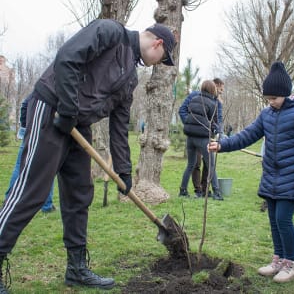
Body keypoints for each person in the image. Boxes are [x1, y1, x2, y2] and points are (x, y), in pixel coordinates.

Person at [0, 19, 175, 293]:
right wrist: (68, 110)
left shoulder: (130, 77)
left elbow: (119, 125)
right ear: (157, 43)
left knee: (80, 194)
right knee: (30, 192)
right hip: (53, 109)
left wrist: (124, 172)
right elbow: (67, 58)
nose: (156, 64)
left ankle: (77, 268)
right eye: (161, 59)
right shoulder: (110, 32)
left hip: (77, 125)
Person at [208, 61, 294, 283]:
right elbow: (248, 135)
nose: (271, 103)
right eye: (268, 99)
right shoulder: (267, 114)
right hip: (271, 175)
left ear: (286, 94)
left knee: (284, 220)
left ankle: (292, 264)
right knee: (273, 219)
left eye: (274, 99)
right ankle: (278, 259)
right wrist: (223, 144)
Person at [4, 95, 56, 213]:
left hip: (37, 131)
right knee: (46, 168)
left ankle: (46, 205)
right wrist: (25, 127)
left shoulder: (46, 91)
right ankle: (46, 205)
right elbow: (24, 104)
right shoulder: (46, 91)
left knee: (43, 167)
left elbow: (24, 104)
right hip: (38, 132)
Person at [178, 78, 225, 198]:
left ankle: (183, 191)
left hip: (190, 138)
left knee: (190, 164)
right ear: (212, 89)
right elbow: (214, 122)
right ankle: (217, 193)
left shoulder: (193, 99)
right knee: (211, 166)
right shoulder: (212, 103)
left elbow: (186, 112)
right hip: (203, 139)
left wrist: (189, 124)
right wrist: (217, 132)